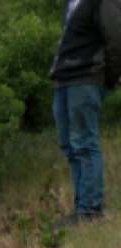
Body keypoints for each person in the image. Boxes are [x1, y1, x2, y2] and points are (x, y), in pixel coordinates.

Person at [50, 0, 121, 225]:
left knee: (84, 143)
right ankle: (81, 207)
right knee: (69, 145)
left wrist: (108, 76)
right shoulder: (71, 3)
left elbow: (116, 37)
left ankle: (89, 211)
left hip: (86, 77)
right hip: (64, 78)